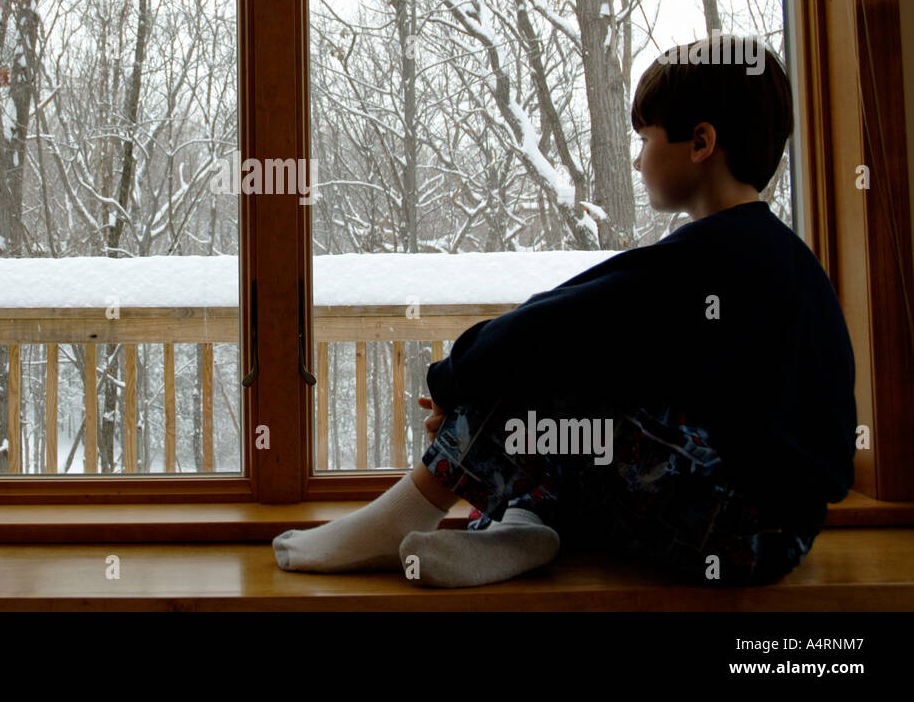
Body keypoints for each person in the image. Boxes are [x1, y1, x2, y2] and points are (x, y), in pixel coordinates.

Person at [273, 35, 857, 587]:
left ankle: (401, 517)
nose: (637, 162)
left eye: (647, 139)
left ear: (700, 143)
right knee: (576, 371)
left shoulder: (708, 259)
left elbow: (546, 326)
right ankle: (525, 527)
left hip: (732, 530)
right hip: (775, 536)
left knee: (532, 359)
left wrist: (455, 385)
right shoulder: (781, 260)